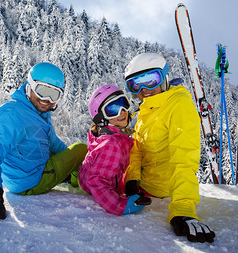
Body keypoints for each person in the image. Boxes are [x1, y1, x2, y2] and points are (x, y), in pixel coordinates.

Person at [0, 62, 87, 229]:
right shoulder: (13, 113)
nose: (46, 101)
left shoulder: (38, 112)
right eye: (42, 91)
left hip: (28, 170)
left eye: (53, 95)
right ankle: (89, 181)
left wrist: (71, 162)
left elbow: (53, 143)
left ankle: (75, 174)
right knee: (81, 149)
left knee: (71, 155)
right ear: (30, 86)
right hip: (31, 181)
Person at [123, 53, 216, 243]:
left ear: (164, 77)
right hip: (143, 186)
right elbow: (137, 149)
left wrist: (183, 209)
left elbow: (184, 158)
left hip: (162, 189)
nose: (144, 89)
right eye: (135, 85)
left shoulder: (178, 104)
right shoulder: (146, 110)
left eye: (151, 80)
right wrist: (132, 179)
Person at [78, 84, 151, 216]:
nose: (122, 111)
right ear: (101, 119)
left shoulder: (110, 135)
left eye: (123, 104)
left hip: (89, 176)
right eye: (113, 109)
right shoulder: (111, 144)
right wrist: (121, 206)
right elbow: (97, 182)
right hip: (95, 187)